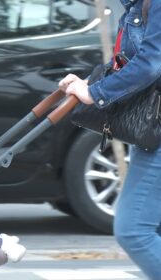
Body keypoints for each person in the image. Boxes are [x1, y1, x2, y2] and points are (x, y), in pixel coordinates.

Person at [59, 0, 161, 279]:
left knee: (134, 231)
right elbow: (128, 61)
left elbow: (151, 64)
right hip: (152, 132)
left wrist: (95, 93)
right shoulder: (137, 6)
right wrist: (87, 85)